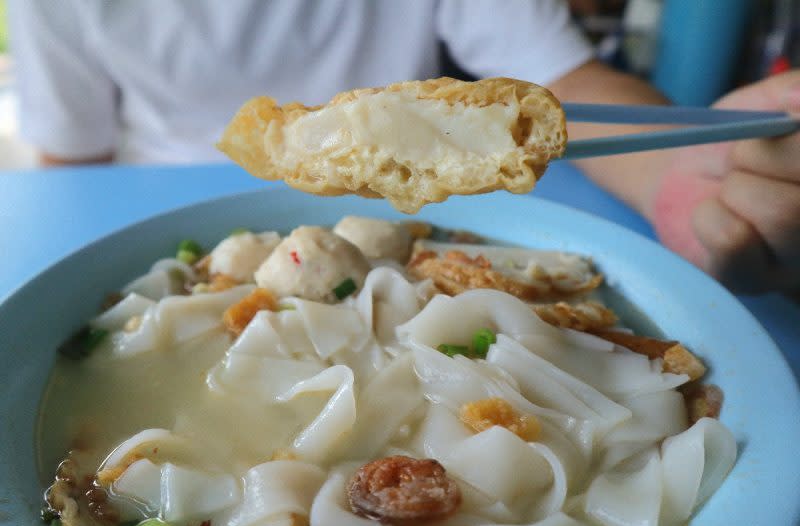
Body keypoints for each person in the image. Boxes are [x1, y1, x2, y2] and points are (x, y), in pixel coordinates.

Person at [8, 0, 800, 293]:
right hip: (167, 222)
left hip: (395, 235)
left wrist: (683, 172)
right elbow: (68, 172)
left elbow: (568, 91)